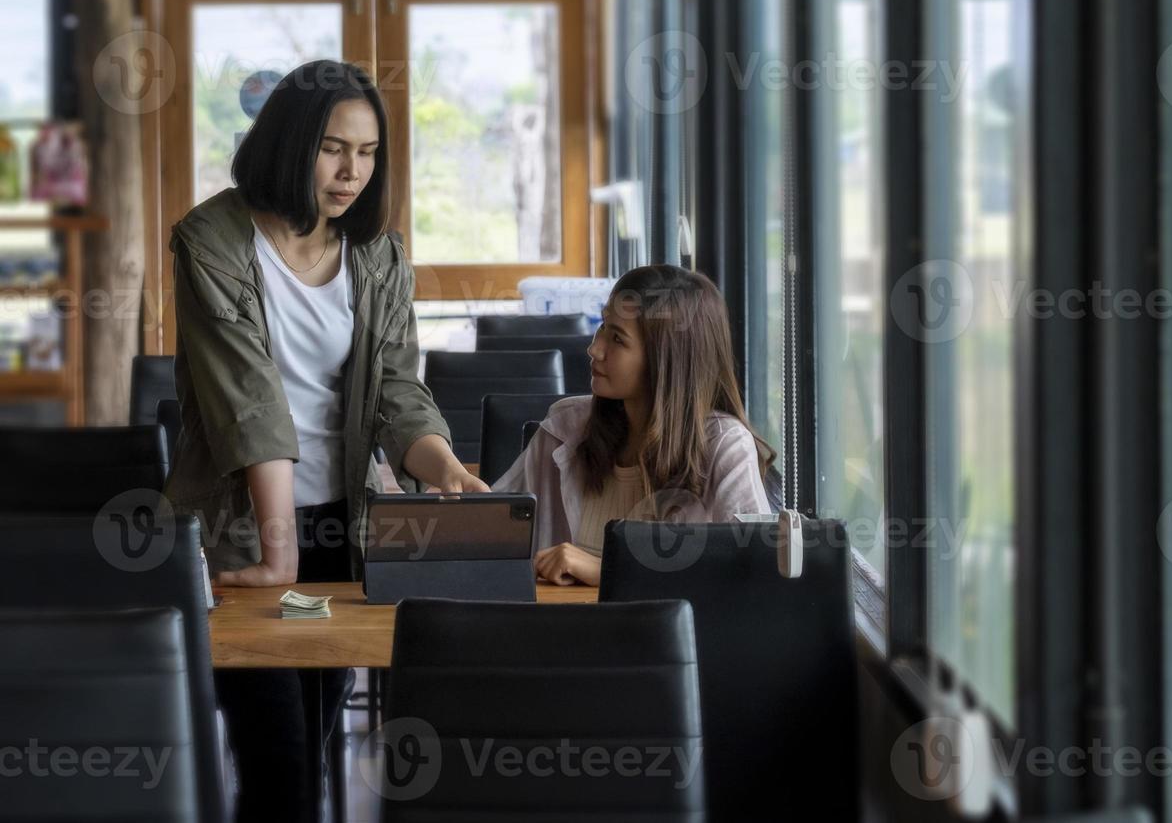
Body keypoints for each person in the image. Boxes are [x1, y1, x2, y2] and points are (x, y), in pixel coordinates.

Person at [163, 59, 486, 822]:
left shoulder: (377, 252)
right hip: (248, 528)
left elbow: (398, 391)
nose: (352, 172)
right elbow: (250, 401)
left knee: (315, 728)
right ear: (289, 142)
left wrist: (442, 469)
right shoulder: (211, 239)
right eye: (334, 148)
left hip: (343, 528)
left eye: (369, 152)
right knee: (278, 759)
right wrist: (278, 553)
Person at [493, 264, 776, 585]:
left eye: (617, 338)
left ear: (665, 359)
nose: (594, 349)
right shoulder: (564, 427)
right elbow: (493, 525)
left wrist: (609, 570)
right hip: (558, 630)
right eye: (602, 327)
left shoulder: (725, 444)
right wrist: (453, 502)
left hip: (671, 636)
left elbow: (754, 571)